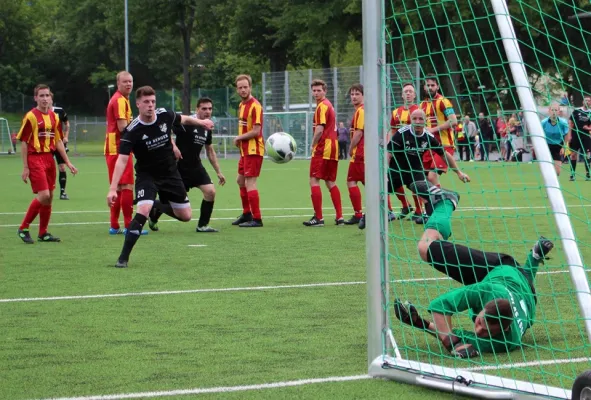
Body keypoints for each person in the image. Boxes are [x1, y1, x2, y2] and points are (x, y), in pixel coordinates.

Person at [393, 191, 554, 356]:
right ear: (484, 307)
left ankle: (535, 255)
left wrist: (421, 323)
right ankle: (447, 201)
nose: (478, 331)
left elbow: (460, 336)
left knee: (523, 281)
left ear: (505, 328)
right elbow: (439, 306)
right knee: (426, 248)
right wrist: (452, 344)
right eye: (479, 322)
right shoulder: (486, 291)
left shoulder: (505, 342)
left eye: (485, 331)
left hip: (525, 290)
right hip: (498, 268)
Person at [106, 86, 214, 268]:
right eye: (146, 102)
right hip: (147, 175)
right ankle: (123, 258)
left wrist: (201, 123)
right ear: (138, 104)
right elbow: (122, 160)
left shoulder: (165, 115)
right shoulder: (132, 131)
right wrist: (112, 188)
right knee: (143, 209)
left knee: (186, 216)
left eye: (153, 102)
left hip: (170, 174)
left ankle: (158, 205)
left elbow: (184, 119)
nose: (150, 105)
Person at [149, 97, 226, 232]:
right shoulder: (186, 123)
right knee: (172, 204)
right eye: (204, 108)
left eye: (210, 108)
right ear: (197, 109)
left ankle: (202, 225)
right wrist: (173, 146)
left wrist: (218, 172)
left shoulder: (207, 127)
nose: (207, 111)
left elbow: (210, 150)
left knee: (210, 192)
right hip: (178, 168)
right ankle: (155, 210)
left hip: (196, 167)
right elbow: (165, 131)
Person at [16, 84, 78, 244]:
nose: (44, 99)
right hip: (35, 158)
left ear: (51, 98)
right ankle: (23, 228)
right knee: (43, 195)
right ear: (36, 98)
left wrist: (68, 162)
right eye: (41, 96)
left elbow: (57, 141)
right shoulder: (30, 116)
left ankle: (43, 232)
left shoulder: (54, 117)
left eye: (47, 96)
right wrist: (25, 167)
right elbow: (23, 142)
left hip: (49, 159)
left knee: (49, 198)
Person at [387, 109, 470, 223]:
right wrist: (384, 172)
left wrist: (459, 172)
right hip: (396, 169)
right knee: (380, 191)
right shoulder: (402, 133)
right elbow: (388, 153)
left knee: (426, 192)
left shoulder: (428, 137)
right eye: (414, 118)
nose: (417, 121)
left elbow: (444, 154)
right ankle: (375, 215)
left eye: (420, 119)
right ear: (410, 120)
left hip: (415, 170)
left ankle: (430, 216)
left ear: (425, 122)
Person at [105, 71, 144, 235]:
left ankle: (115, 225)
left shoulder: (122, 99)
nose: (128, 84)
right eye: (125, 82)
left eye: (130, 81)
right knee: (126, 185)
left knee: (119, 187)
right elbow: (123, 128)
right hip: (119, 147)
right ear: (118, 83)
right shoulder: (120, 100)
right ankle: (129, 226)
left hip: (114, 147)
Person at [303, 79, 343, 227]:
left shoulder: (322, 106)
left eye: (319, 90)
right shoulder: (329, 105)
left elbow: (319, 130)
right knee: (330, 181)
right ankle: (339, 217)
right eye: (314, 90)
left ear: (325, 91)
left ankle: (318, 218)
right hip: (334, 146)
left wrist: (312, 144)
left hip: (323, 147)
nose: (316, 93)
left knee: (314, 180)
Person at [231, 74, 264, 228]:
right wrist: (240, 140)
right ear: (237, 89)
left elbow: (256, 131)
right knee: (240, 181)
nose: (243, 90)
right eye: (240, 87)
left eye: (245, 87)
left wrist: (239, 137)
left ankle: (257, 219)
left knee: (250, 182)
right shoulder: (241, 105)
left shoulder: (255, 106)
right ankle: (246, 214)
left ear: (250, 87)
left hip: (254, 149)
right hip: (245, 150)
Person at [389, 83, 423, 222]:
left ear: (414, 95)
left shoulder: (418, 111)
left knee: (414, 182)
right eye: (405, 92)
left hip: (412, 152)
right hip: (397, 153)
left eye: (410, 91)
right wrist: (388, 146)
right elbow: (392, 130)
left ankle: (420, 210)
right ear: (402, 95)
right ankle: (405, 206)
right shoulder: (395, 112)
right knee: (393, 179)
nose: (408, 93)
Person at [419, 77, 458, 187]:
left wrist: (432, 130)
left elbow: (453, 120)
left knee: (432, 176)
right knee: (425, 179)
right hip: (428, 146)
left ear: (438, 87)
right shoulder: (422, 105)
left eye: (432, 85)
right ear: (424, 87)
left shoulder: (443, 102)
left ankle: (441, 202)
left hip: (445, 145)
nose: (430, 87)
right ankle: (432, 203)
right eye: (428, 85)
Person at [343, 84, 365, 227]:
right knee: (369, 183)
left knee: (351, 181)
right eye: (352, 94)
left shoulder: (361, 111)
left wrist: (351, 148)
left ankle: (358, 214)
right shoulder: (361, 110)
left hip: (360, 152)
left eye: (357, 93)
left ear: (363, 95)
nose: (354, 96)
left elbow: (359, 133)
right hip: (365, 153)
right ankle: (387, 210)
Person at [50, 97, 71, 200]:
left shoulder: (59, 111)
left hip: (60, 143)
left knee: (62, 167)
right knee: (46, 168)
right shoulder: (39, 113)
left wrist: (66, 136)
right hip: (46, 144)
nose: (46, 99)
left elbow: (67, 123)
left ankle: (63, 192)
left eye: (48, 97)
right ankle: (47, 190)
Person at [566, 94, 591, 181]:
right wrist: (569, 135)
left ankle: (588, 174)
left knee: (587, 155)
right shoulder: (577, 111)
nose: (587, 102)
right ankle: (572, 175)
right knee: (573, 155)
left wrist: (588, 128)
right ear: (583, 101)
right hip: (575, 135)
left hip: (586, 137)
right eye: (585, 100)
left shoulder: (590, 112)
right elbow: (570, 122)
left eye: (588, 100)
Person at [541, 103, 569, 176]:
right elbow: (540, 135)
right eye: (552, 110)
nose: (554, 112)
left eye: (556, 110)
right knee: (546, 171)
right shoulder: (543, 122)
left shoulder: (563, 122)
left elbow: (567, 135)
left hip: (558, 146)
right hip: (547, 146)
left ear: (559, 112)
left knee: (557, 172)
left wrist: (564, 147)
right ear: (549, 111)